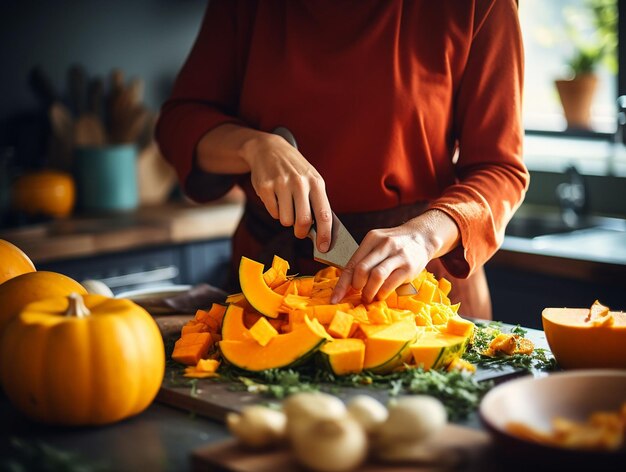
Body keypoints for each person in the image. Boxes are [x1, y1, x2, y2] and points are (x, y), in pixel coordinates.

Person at [156, 0, 528, 320]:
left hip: (414, 284)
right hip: (271, 287)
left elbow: (501, 169)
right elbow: (179, 123)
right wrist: (252, 147)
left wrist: (424, 235)